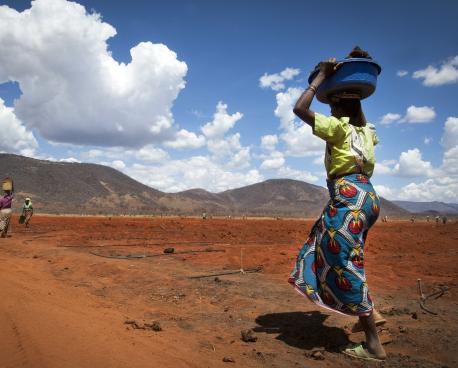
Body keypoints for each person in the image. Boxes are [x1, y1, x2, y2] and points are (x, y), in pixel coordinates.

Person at [288, 51, 386, 361]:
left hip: (348, 199)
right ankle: (372, 314)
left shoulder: (338, 128)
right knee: (324, 243)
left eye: (332, 104)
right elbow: (360, 117)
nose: (329, 107)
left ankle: (373, 342)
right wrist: (352, 96)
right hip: (367, 198)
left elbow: (299, 108)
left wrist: (321, 76)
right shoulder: (366, 132)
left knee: (343, 262)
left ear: (339, 107)